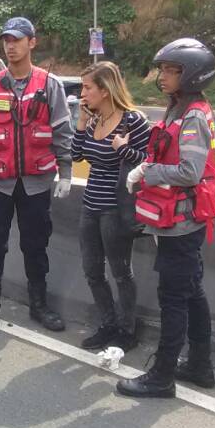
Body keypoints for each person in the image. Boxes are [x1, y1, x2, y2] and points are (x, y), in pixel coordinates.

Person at [116, 38, 215, 399]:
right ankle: (200, 366)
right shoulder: (177, 108)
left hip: (182, 227)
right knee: (191, 293)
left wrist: (146, 174)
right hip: (176, 223)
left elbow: (189, 171)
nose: (162, 76)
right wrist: (147, 165)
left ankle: (162, 375)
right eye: (162, 69)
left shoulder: (193, 114)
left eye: (171, 70)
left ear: (193, 75)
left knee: (173, 298)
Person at [0, 17, 74, 333]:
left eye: (17, 40)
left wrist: (65, 172)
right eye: (6, 41)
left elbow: (62, 132)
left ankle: (39, 305)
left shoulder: (49, 86)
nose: (10, 46)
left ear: (32, 42)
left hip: (36, 182)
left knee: (36, 245)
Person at [72, 61, 151, 352]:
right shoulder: (93, 120)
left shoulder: (134, 121)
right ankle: (107, 323)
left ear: (105, 90)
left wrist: (123, 149)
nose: (83, 93)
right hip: (90, 206)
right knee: (92, 270)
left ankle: (127, 329)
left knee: (120, 271)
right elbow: (76, 154)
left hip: (116, 209)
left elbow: (147, 161)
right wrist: (81, 122)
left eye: (87, 87)